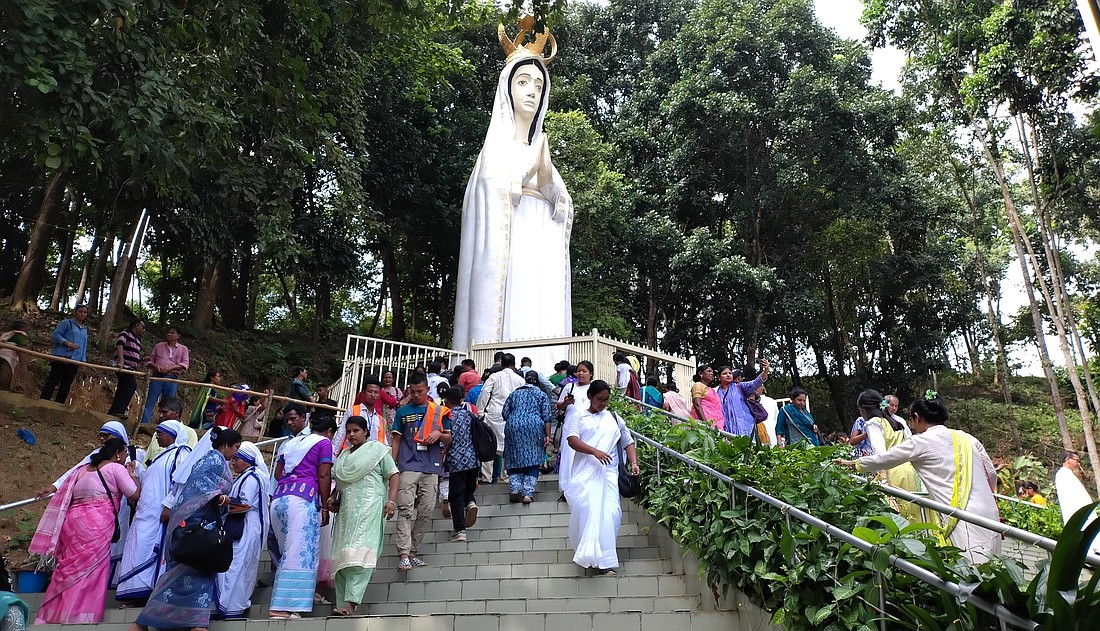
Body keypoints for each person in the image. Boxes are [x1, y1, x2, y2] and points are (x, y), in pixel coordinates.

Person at [451, 18, 574, 353]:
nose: (532, 90)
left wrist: (548, 183)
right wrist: (525, 173)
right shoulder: (495, 152)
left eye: (538, 84)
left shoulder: (543, 149)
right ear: (507, 90)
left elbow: (564, 210)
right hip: (508, 260)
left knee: (540, 316)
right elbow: (492, 197)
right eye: (523, 82)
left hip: (539, 259)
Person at [836, 391, 1001, 563]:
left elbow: (882, 459)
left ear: (917, 417)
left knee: (971, 572)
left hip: (961, 518)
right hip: (989, 512)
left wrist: (851, 464)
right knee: (994, 569)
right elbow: (991, 473)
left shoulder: (920, 441)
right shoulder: (967, 437)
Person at [130, 428, 240, 631]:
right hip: (200, 531)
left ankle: (149, 622)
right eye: (236, 448)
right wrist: (222, 498)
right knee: (195, 575)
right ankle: (193, 625)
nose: (236, 454)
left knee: (178, 578)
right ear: (226, 446)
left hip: (197, 528)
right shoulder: (214, 460)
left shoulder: (209, 459)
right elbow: (201, 487)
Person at [31, 438, 140, 624]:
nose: (125, 458)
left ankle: (50, 617)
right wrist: (132, 474)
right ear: (117, 454)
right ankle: (78, 617)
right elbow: (134, 494)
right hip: (95, 525)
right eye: (125, 454)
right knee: (90, 571)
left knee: (67, 568)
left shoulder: (82, 471)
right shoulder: (116, 468)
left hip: (72, 524)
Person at [34, 420, 146, 586]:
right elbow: (74, 473)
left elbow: (144, 476)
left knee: (122, 542)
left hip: (124, 507)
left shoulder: (137, 454)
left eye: (106, 436)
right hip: (103, 509)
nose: (102, 439)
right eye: (100, 435)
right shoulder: (96, 455)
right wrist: (54, 486)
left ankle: (115, 583)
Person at [562, 380, 639, 575]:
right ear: (590, 397)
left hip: (610, 473)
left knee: (611, 513)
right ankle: (589, 552)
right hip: (585, 472)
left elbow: (627, 440)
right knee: (588, 510)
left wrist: (634, 462)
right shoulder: (578, 415)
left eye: (606, 400)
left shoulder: (613, 417)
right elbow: (572, 440)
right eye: (599, 399)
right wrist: (594, 452)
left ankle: (605, 560)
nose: (603, 403)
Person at [327, 416, 400, 616]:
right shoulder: (342, 457)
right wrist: (333, 500)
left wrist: (391, 501)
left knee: (360, 556)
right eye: (348, 431)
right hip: (346, 513)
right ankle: (342, 604)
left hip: (370, 508)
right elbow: (339, 485)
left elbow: (393, 474)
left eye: (356, 431)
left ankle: (350, 603)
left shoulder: (377, 450)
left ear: (366, 431)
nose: (351, 435)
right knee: (343, 558)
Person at [116, 420, 192, 604]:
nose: (156, 436)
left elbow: (181, 482)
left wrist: (169, 505)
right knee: (139, 549)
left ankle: (148, 594)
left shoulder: (181, 453)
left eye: (160, 432)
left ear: (173, 435)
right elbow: (152, 480)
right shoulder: (162, 456)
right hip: (145, 514)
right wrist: (137, 471)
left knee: (149, 550)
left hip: (159, 515)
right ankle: (137, 593)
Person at [268, 403, 332, 619]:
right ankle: (283, 606)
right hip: (302, 500)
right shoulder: (323, 443)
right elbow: (324, 475)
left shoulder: (290, 444)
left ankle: (286, 605)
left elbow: (278, 474)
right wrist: (324, 505)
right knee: (300, 554)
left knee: (288, 551)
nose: (288, 423)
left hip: (279, 500)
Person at [391, 373, 452, 570]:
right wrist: (393, 465)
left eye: (420, 391)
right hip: (408, 465)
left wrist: (439, 434)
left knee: (425, 510)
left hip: (431, 466)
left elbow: (449, 439)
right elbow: (397, 440)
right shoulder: (402, 412)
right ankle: (403, 553)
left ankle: (414, 550)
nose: (416, 395)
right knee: (406, 508)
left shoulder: (440, 412)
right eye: (412, 391)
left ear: (427, 390)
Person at [213, 441, 270, 620]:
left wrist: (222, 507)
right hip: (243, 526)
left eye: (237, 459)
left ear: (247, 460)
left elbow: (245, 504)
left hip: (246, 527)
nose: (233, 462)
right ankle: (226, 604)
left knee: (237, 566)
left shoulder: (252, 478)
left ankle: (232, 606)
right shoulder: (245, 476)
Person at [856, 390, 923, 505]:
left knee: (899, 514)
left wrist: (882, 481)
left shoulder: (873, 423)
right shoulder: (894, 422)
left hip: (892, 473)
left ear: (862, 408)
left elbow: (880, 455)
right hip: (910, 471)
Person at [503, 371, 553, 504]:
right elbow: (547, 417)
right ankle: (527, 494)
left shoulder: (514, 394)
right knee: (533, 457)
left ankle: (515, 488)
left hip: (513, 426)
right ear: (537, 382)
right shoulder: (541, 395)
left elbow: (505, 413)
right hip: (534, 427)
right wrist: (548, 435)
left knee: (514, 456)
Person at [477, 353, 525, 483]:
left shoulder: (494, 377)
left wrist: (480, 412)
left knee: (489, 443)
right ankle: (505, 476)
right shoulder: (520, 380)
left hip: (494, 413)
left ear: (501, 364)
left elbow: (485, 393)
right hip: (512, 415)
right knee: (509, 445)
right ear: (514, 365)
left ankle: (487, 476)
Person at [443, 387, 481, 543]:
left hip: (456, 461)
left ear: (446, 401)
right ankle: (471, 503)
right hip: (473, 459)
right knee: (467, 488)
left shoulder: (448, 416)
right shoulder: (470, 415)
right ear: (461, 399)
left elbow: (446, 439)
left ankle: (460, 530)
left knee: (456, 496)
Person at [556, 361, 595, 493]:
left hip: (588, 425)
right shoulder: (569, 387)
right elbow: (559, 405)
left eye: (584, 371)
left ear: (591, 373)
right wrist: (566, 403)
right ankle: (567, 487)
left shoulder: (594, 388)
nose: (580, 373)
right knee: (569, 454)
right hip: (570, 424)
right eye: (578, 371)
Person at [139, 327, 190, 425]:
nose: (169, 334)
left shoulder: (183, 349)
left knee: (169, 404)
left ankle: (165, 425)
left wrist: (170, 368)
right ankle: (143, 424)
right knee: (150, 401)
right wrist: (155, 366)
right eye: (168, 332)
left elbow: (185, 364)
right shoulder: (159, 346)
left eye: (172, 333)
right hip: (157, 376)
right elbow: (149, 361)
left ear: (178, 336)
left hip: (172, 378)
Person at [40, 305, 89, 404]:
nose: (83, 314)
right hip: (61, 357)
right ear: (75, 312)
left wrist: (83, 361)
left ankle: (59, 405)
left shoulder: (84, 330)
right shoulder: (66, 323)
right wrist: (68, 343)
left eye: (85, 312)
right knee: (53, 380)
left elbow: (84, 346)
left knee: (66, 384)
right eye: (80, 311)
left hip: (75, 360)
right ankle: (43, 402)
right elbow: (56, 334)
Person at [714, 361, 770, 436]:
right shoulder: (716, 393)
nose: (728, 375)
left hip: (745, 427)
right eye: (725, 373)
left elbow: (755, 383)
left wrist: (765, 371)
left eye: (730, 373)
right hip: (727, 430)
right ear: (719, 377)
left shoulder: (739, 386)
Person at [335, 375, 388, 454]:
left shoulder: (381, 420)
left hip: (371, 459)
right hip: (351, 454)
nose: (373, 395)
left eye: (376, 392)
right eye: (369, 391)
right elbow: (340, 435)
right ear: (363, 393)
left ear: (379, 395)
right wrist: (333, 456)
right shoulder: (352, 411)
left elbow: (384, 443)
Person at [106, 319, 145, 417]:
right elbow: (120, 345)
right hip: (124, 366)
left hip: (131, 368)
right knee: (130, 385)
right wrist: (121, 360)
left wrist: (141, 360)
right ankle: (119, 410)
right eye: (142, 327)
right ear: (136, 325)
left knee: (123, 387)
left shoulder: (137, 340)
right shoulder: (125, 333)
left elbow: (132, 354)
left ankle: (113, 411)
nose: (143, 329)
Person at [144, 398, 199, 464]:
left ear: (176, 413)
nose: (161, 415)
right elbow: (148, 457)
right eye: (160, 412)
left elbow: (188, 461)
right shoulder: (158, 432)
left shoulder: (190, 433)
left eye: (164, 412)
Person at [1055, 451, 1098, 528]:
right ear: (1068, 459)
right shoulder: (1062, 474)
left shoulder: (1068, 474)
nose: (1078, 464)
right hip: (1078, 515)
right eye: (1076, 460)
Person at [0, 319, 31, 391]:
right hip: (6, 359)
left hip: (2, 356)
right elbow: (20, 351)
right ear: (21, 327)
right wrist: (23, 365)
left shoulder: (7, 335)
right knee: (4, 380)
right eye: (27, 326)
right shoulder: (20, 336)